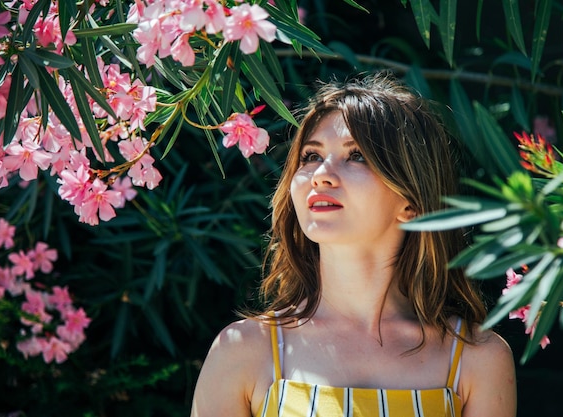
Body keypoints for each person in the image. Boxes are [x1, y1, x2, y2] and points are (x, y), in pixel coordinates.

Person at [190, 71, 517, 417]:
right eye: (311, 156)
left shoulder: (477, 359)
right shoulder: (241, 351)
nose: (321, 174)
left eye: (357, 155)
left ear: (412, 204)